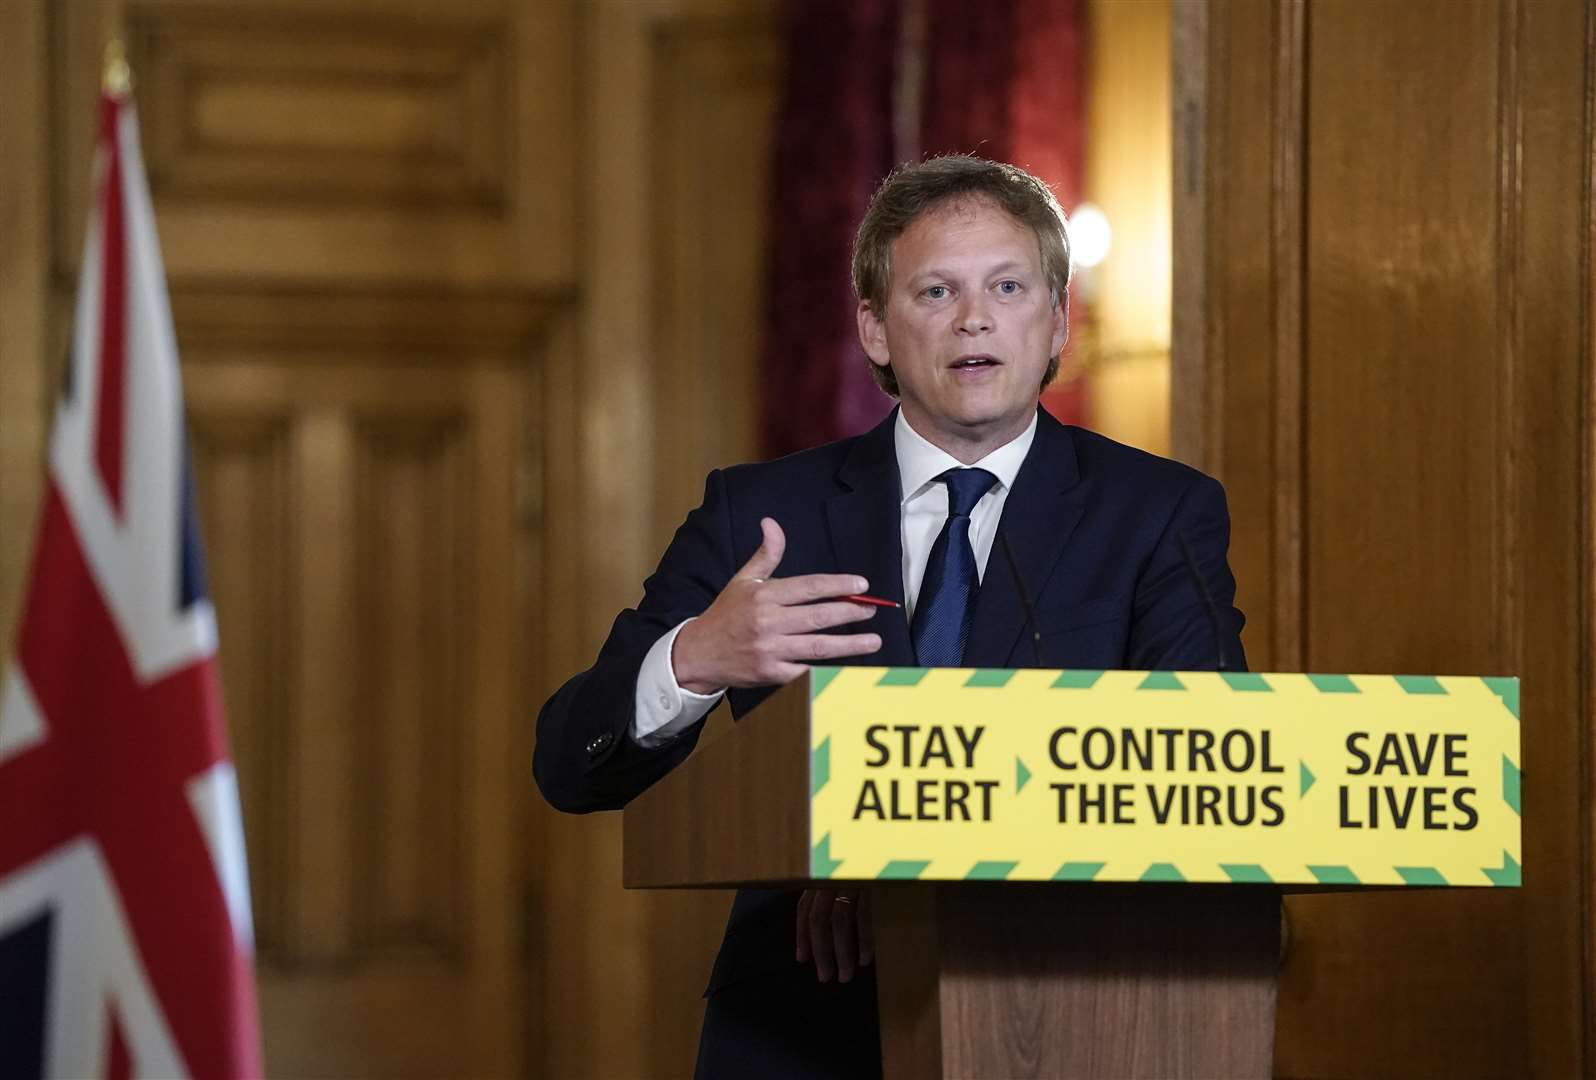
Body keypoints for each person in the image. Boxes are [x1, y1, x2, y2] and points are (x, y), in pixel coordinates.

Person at [533, 155, 1246, 1079]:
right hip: (806, 1019)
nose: (974, 318)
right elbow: (569, 762)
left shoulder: (1156, 513)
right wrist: (696, 658)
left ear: (1057, 318)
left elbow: (1206, 766)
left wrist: (899, 862)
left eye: (1007, 286)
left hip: (1070, 1014)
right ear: (874, 328)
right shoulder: (762, 514)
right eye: (936, 290)